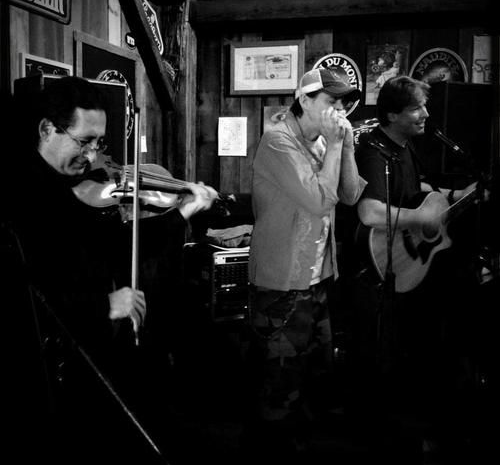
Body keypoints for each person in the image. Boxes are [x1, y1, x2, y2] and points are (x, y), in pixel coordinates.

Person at [3, 76, 217, 463]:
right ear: (47, 129)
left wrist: (182, 211)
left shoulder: (64, 188)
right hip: (57, 371)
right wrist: (104, 305)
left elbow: (116, 242)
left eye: (98, 143)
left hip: (90, 352)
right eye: (83, 141)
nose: (91, 156)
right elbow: (36, 294)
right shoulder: (24, 197)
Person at [350, 75, 486, 463]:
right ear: (392, 114)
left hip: (408, 265)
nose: (426, 114)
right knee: (384, 358)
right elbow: (369, 212)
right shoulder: (374, 152)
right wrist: (419, 219)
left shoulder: (406, 147)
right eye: (416, 108)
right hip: (381, 265)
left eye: (424, 106)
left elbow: (419, 192)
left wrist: (460, 196)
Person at [243, 67, 366, 461]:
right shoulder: (277, 140)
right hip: (282, 281)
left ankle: (303, 449)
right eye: (331, 101)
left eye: (343, 103)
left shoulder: (325, 141)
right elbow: (318, 200)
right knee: (280, 382)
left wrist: (346, 147)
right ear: (305, 99)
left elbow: (349, 196)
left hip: (318, 278)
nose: (339, 111)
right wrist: (335, 145)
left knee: (314, 372)